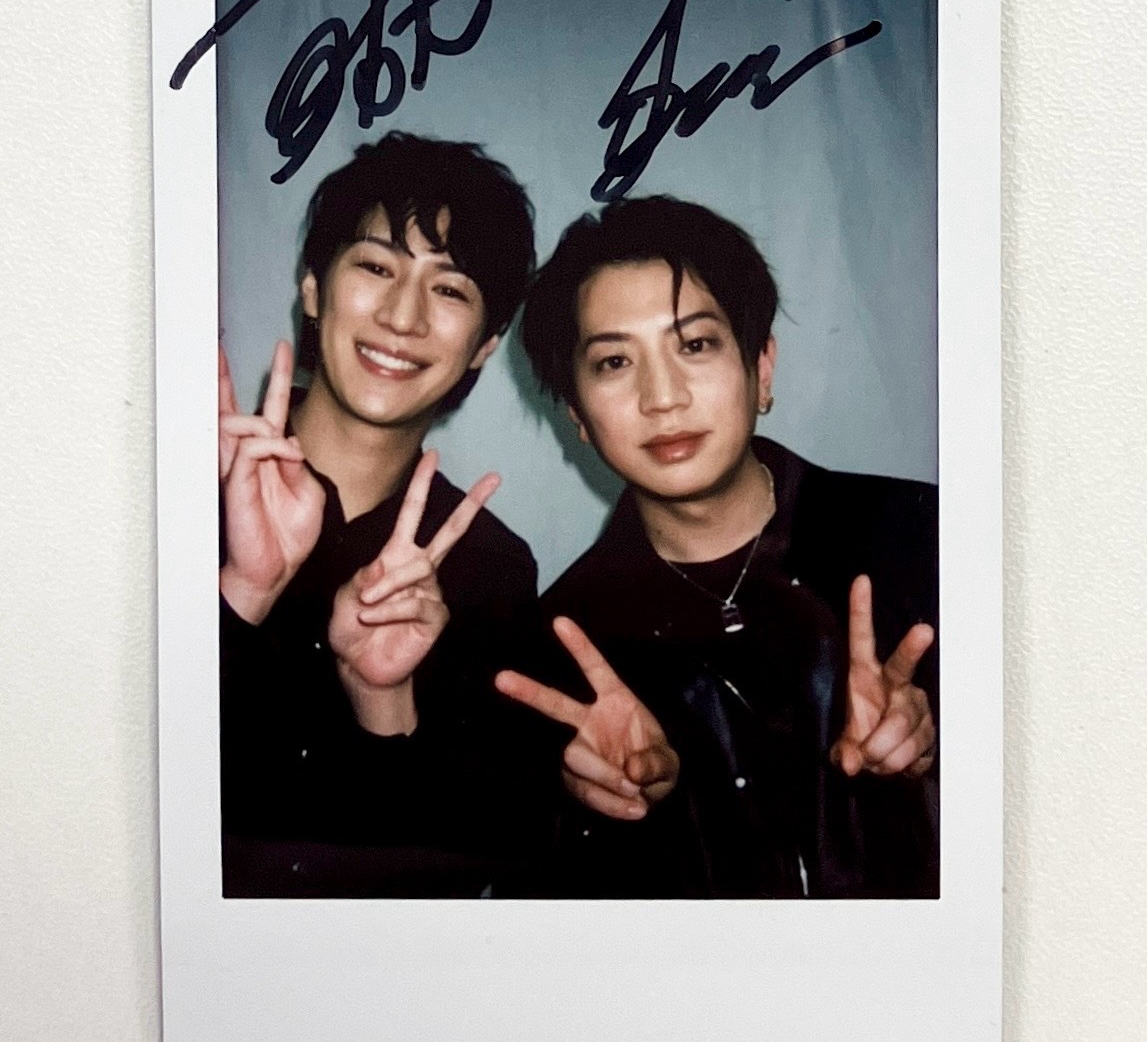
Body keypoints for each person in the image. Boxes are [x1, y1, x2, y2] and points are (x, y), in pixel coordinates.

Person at [497, 195, 939, 899]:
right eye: (614, 361)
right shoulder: (559, 648)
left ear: (761, 368)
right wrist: (609, 815)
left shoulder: (920, 534)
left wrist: (939, 744)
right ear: (578, 415)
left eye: (695, 345)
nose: (662, 397)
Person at [219, 130, 553, 897]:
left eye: (450, 289)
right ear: (313, 289)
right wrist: (241, 594)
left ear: (484, 344)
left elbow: (452, 882)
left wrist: (383, 702)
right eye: (375, 267)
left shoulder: (490, 569)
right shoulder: (178, 479)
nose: (403, 317)